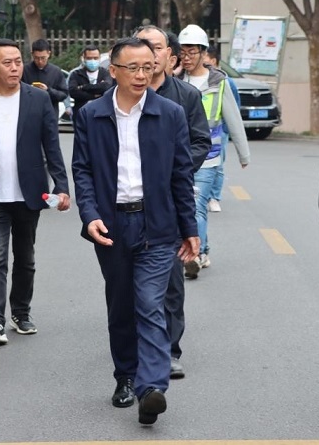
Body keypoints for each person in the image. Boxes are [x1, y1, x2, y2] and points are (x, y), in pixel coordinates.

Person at [72, 36, 199, 426]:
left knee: (150, 304)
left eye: (148, 66)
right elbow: (83, 170)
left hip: (157, 224)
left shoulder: (170, 113)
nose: (142, 74)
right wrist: (89, 214)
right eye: (133, 68)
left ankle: (152, 388)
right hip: (111, 225)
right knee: (121, 305)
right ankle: (125, 376)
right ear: (114, 71)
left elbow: (181, 175)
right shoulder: (91, 114)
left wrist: (189, 228)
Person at [0, 38, 71, 346]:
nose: (14, 68)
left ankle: (21, 313)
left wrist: (61, 186)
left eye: (17, 62)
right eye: (7, 63)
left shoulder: (38, 99)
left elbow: (52, 145)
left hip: (29, 193)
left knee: (25, 258)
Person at [133, 25, 210, 380]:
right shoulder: (121, 96)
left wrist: (173, 171)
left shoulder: (186, 97)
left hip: (170, 200)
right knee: (129, 279)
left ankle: (169, 349)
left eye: (157, 47)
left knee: (171, 280)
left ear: (170, 56)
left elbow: (200, 141)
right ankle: (137, 345)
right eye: (143, 46)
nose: (150, 53)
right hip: (128, 202)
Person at [177, 24, 250, 277]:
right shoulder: (175, 81)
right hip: (180, 156)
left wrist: (243, 153)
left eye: (192, 52)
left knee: (197, 205)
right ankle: (202, 248)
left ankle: (195, 256)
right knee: (185, 206)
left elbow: (233, 118)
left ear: (203, 53)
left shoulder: (219, 82)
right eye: (183, 52)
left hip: (208, 157)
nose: (187, 57)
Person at [202, 44, 241, 213]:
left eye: (204, 58)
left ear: (213, 61)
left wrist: (225, 129)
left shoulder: (226, 81)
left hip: (218, 130)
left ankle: (214, 197)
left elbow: (234, 107)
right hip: (200, 129)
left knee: (217, 165)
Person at [21, 38, 68, 116]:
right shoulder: (24, 70)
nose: (40, 61)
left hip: (50, 114)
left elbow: (63, 94)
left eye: (43, 58)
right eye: (36, 58)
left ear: (49, 54)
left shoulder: (56, 71)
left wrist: (48, 90)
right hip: (29, 113)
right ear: (32, 54)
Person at [68, 44, 113, 117]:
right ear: (84, 58)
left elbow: (106, 87)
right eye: (89, 58)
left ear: (99, 58)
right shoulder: (76, 74)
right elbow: (73, 92)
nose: (92, 61)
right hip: (81, 114)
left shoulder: (105, 73)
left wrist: (83, 87)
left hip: (102, 113)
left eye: (95, 58)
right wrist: (94, 95)